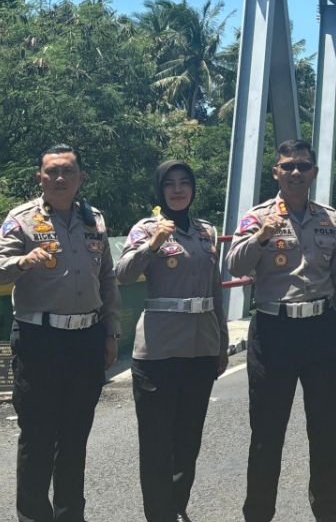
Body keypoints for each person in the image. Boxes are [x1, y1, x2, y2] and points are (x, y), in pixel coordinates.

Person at [0, 144, 119, 522]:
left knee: (75, 438)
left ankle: (70, 516)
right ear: (39, 178)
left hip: (86, 339)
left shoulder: (96, 222)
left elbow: (106, 279)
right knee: (38, 437)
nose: (60, 179)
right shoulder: (22, 220)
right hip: (39, 340)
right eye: (52, 172)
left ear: (81, 178)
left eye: (68, 172)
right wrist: (22, 261)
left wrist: (112, 332)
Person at [226, 139, 336, 522]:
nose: (296, 173)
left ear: (314, 172)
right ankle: (258, 515)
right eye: (288, 166)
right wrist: (262, 236)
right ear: (276, 172)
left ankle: (327, 514)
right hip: (273, 331)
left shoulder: (329, 219)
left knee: (326, 432)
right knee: (267, 434)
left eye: (303, 166)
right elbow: (234, 265)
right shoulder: (257, 217)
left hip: (320, 329)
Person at [116, 160, 229, 522]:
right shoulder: (147, 228)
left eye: (184, 183)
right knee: (156, 442)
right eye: (170, 184)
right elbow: (123, 274)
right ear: (160, 190)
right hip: (159, 351)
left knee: (188, 440)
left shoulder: (206, 232)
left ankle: (177, 507)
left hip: (200, 348)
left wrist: (222, 341)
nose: (178, 190)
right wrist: (153, 245)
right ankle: (159, 515)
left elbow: (215, 290)